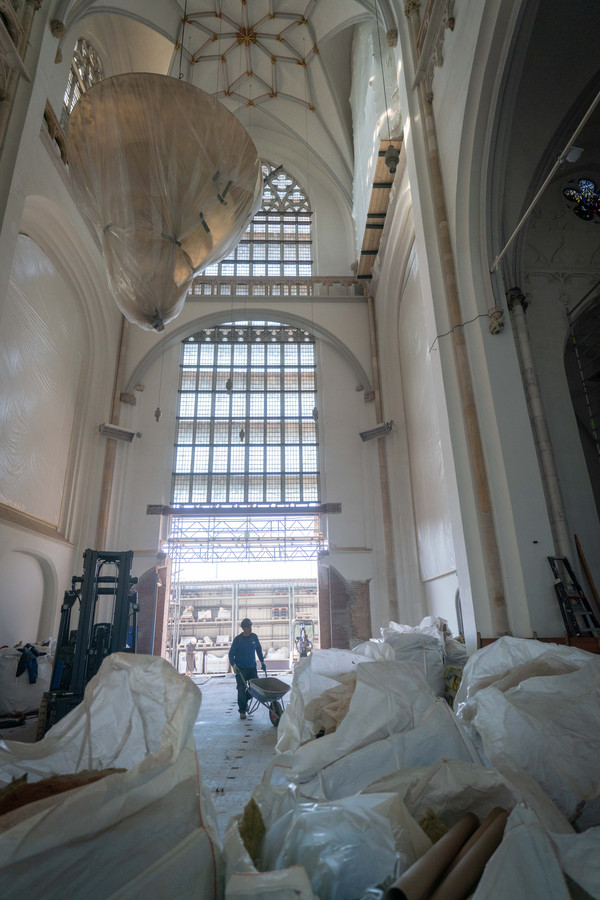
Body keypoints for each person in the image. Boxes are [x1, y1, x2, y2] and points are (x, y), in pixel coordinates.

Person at [228, 618, 266, 719]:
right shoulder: (238, 640)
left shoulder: (254, 637)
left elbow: (258, 650)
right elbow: (231, 654)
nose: (250, 628)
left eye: (250, 626)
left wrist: (262, 661)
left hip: (252, 668)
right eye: (248, 627)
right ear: (244, 628)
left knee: (255, 689)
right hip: (241, 670)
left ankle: (244, 703)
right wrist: (233, 665)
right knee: (241, 690)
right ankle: (242, 711)